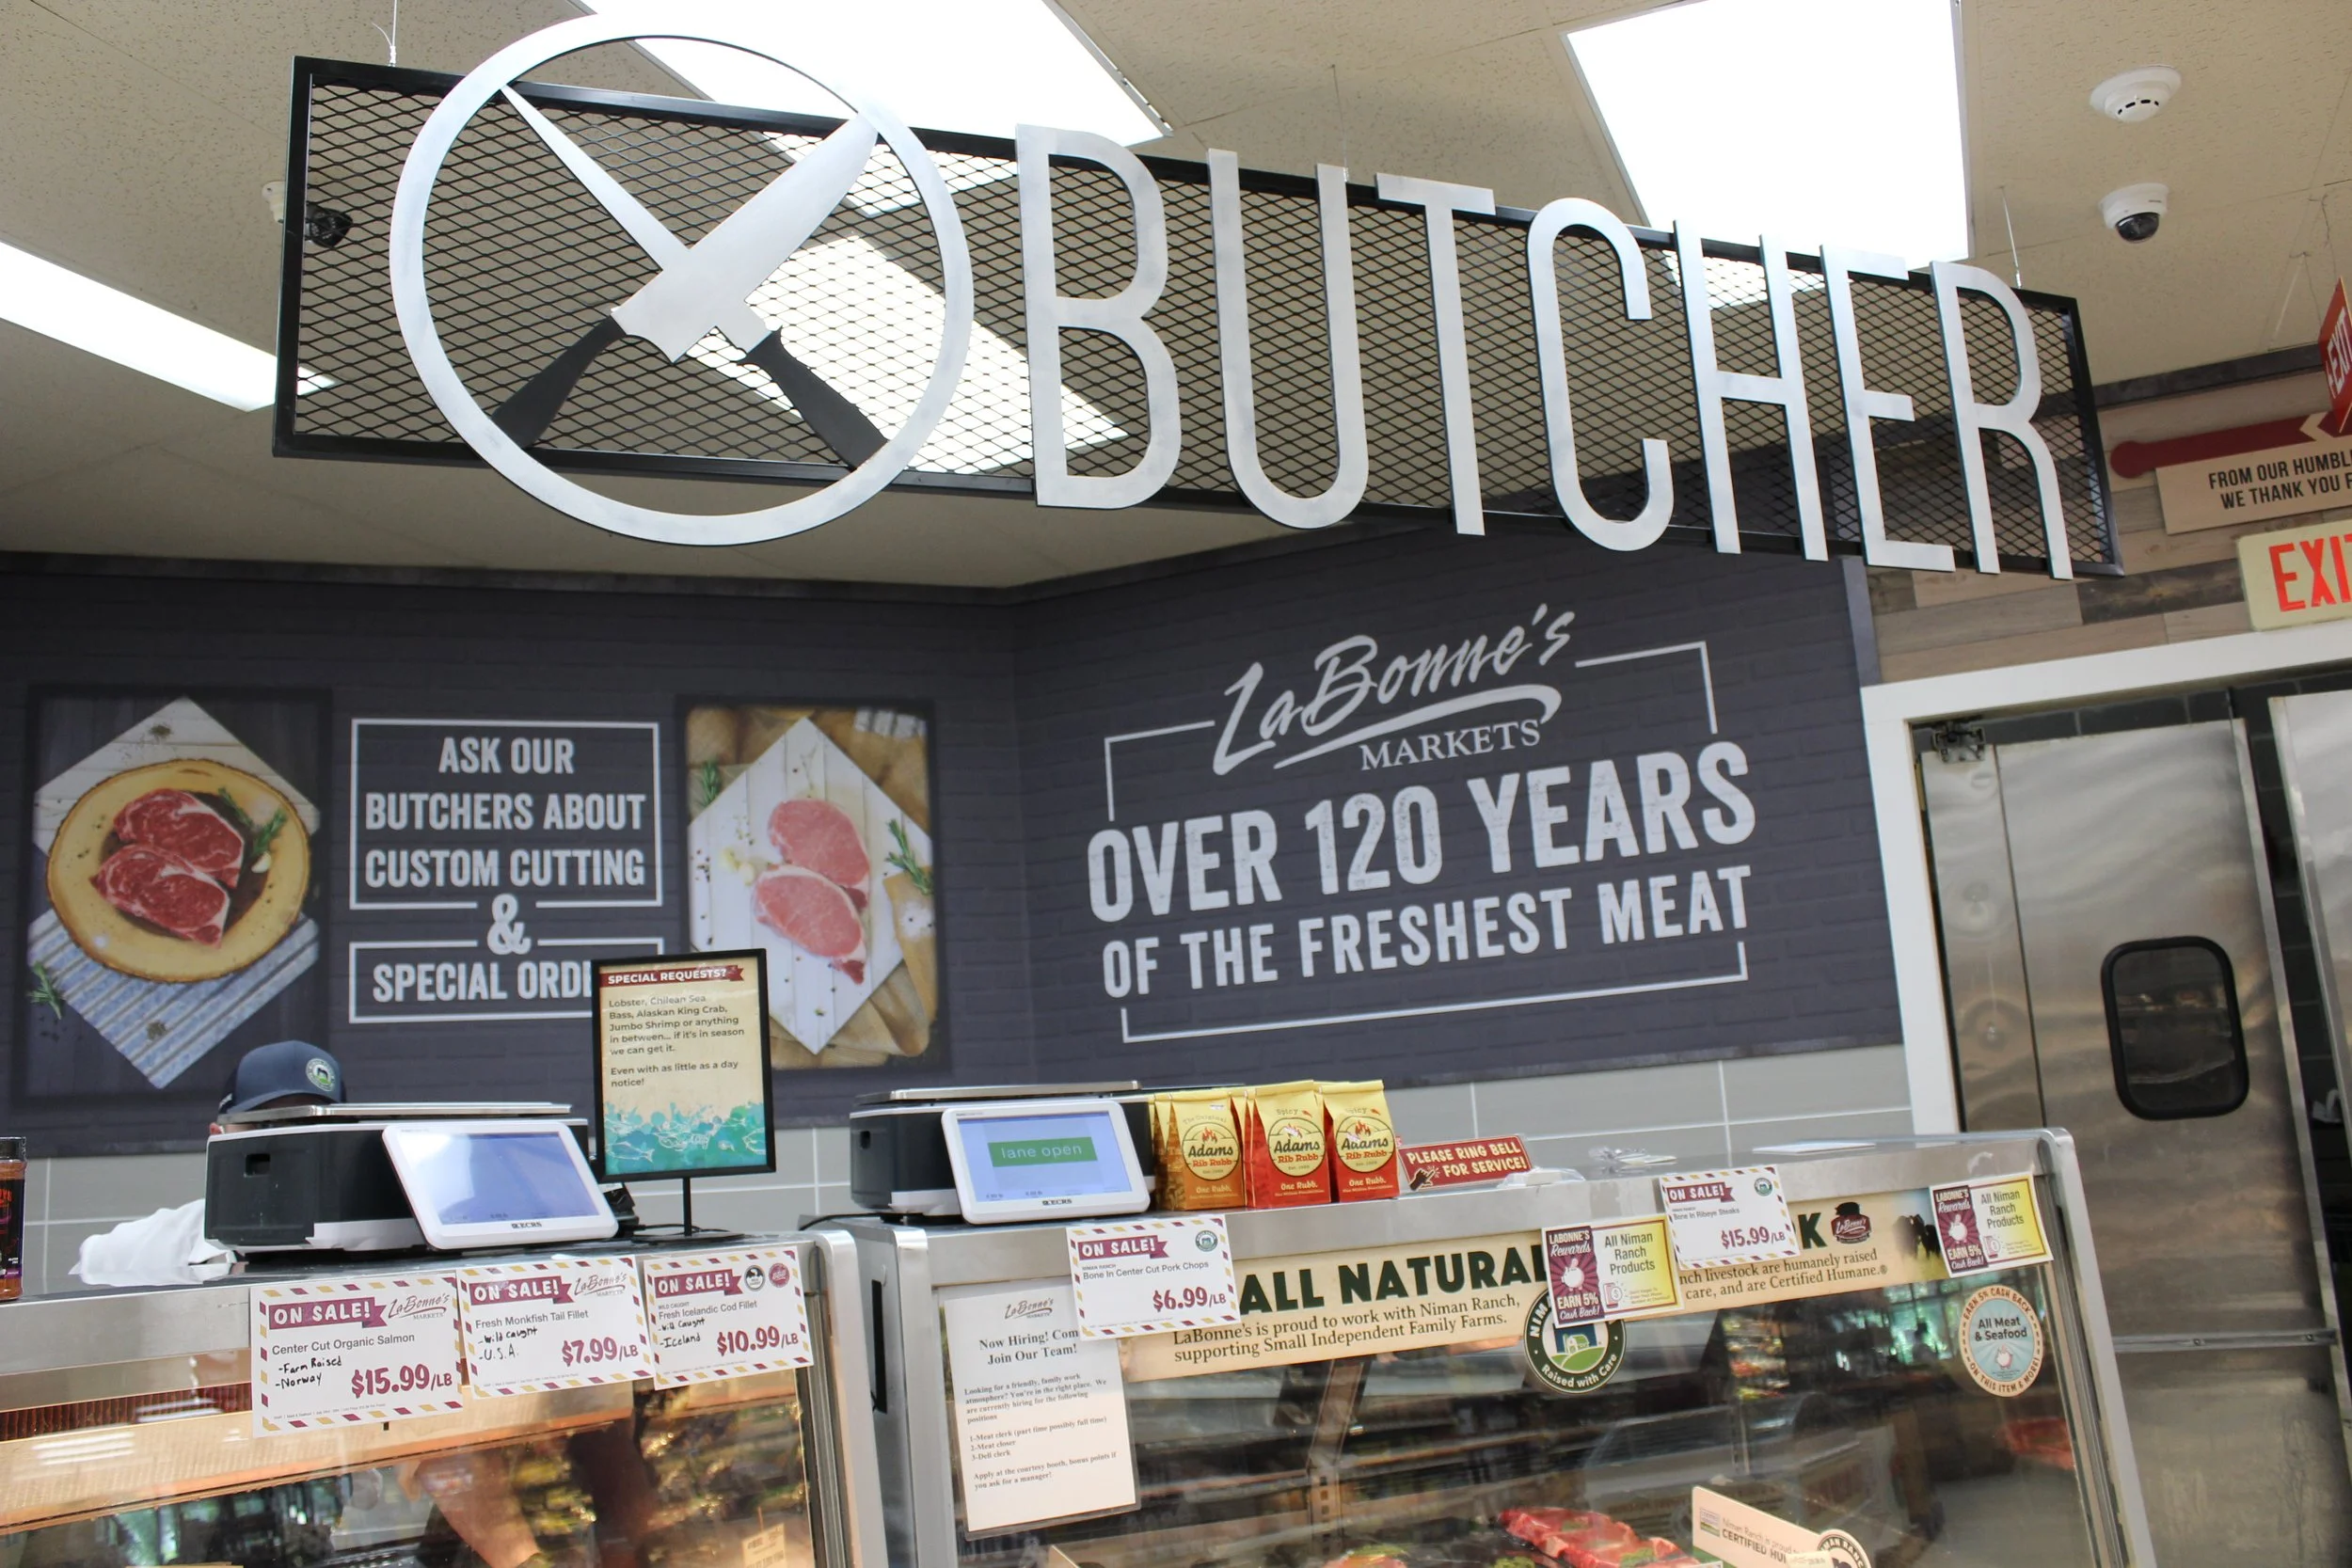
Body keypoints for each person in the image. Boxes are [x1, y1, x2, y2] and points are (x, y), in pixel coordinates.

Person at [74, 1040, 346, 1288]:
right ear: (219, 1139)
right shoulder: (143, 1249)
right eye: (268, 1126)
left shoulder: (382, 1244)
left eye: (313, 1125)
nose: (294, 1145)